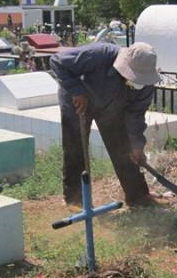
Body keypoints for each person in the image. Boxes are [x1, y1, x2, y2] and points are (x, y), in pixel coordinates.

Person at [49, 41, 164, 209]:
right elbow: (57, 61)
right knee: (75, 148)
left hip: (110, 107)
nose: (133, 82)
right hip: (79, 100)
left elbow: (136, 116)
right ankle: (75, 199)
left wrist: (137, 145)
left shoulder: (146, 86)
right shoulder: (99, 54)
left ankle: (137, 197)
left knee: (124, 149)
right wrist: (76, 90)